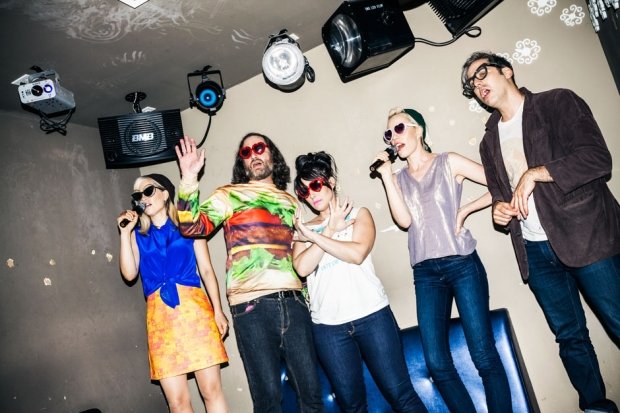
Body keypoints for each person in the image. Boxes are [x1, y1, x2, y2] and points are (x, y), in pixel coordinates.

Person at [461, 50, 620, 413]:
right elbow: (502, 195)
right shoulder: (488, 142)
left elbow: (598, 159)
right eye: (471, 83)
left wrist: (536, 173)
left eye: (482, 73)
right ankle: (596, 407)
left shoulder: (557, 102)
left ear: (507, 70)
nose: (477, 84)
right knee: (570, 338)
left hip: (587, 236)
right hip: (535, 251)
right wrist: (500, 211)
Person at [372, 108, 512, 413]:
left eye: (399, 128)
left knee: (483, 355)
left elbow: (500, 181)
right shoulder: (398, 178)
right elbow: (405, 221)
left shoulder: (448, 161)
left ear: (418, 130)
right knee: (436, 363)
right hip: (426, 274)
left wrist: (465, 210)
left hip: (462, 265)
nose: (393, 138)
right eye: (388, 134)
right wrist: (386, 177)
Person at [174, 134, 324, 413]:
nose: (253, 154)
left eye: (258, 148)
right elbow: (191, 227)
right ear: (242, 163)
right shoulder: (228, 195)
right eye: (246, 152)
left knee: (312, 396)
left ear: (272, 155)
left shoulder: (291, 202)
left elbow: (299, 255)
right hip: (251, 308)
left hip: (294, 303)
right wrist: (189, 178)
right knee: (268, 401)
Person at [292, 151, 429, 413]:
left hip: (372, 317)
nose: (311, 194)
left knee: (402, 396)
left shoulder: (359, 214)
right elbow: (301, 267)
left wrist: (316, 237)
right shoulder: (303, 228)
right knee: (352, 407)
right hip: (329, 329)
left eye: (316, 185)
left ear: (331, 182)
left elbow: (356, 254)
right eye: (305, 190)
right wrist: (329, 230)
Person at [116, 173, 229, 413]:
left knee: (211, 391)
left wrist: (218, 311)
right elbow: (129, 274)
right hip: (161, 321)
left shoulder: (189, 225)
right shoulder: (138, 235)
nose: (143, 198)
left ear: (165, 194)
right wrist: (125, 234)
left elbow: (206, 270)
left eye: (148, 191)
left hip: (195, 313)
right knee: (177, 403)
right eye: (138, 195)